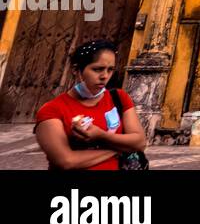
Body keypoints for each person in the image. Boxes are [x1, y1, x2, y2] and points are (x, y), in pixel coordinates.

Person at [34, 38, 147, 170]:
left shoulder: (119, 98)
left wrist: (101, 135)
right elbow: (66, 161)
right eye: (97, 69)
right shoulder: (52, 110)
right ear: (76, 70)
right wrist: (118, 149)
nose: (105, 76)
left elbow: (139, 143)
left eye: (110, 69)